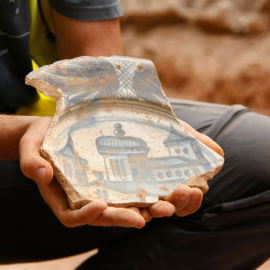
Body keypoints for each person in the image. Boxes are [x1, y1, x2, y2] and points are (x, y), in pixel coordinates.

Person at [0, 0, 269, 269]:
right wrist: (18, 133)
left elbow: (100, 72)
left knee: (260, 154)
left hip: (46, 135)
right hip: (20, 149)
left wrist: (134, 118)